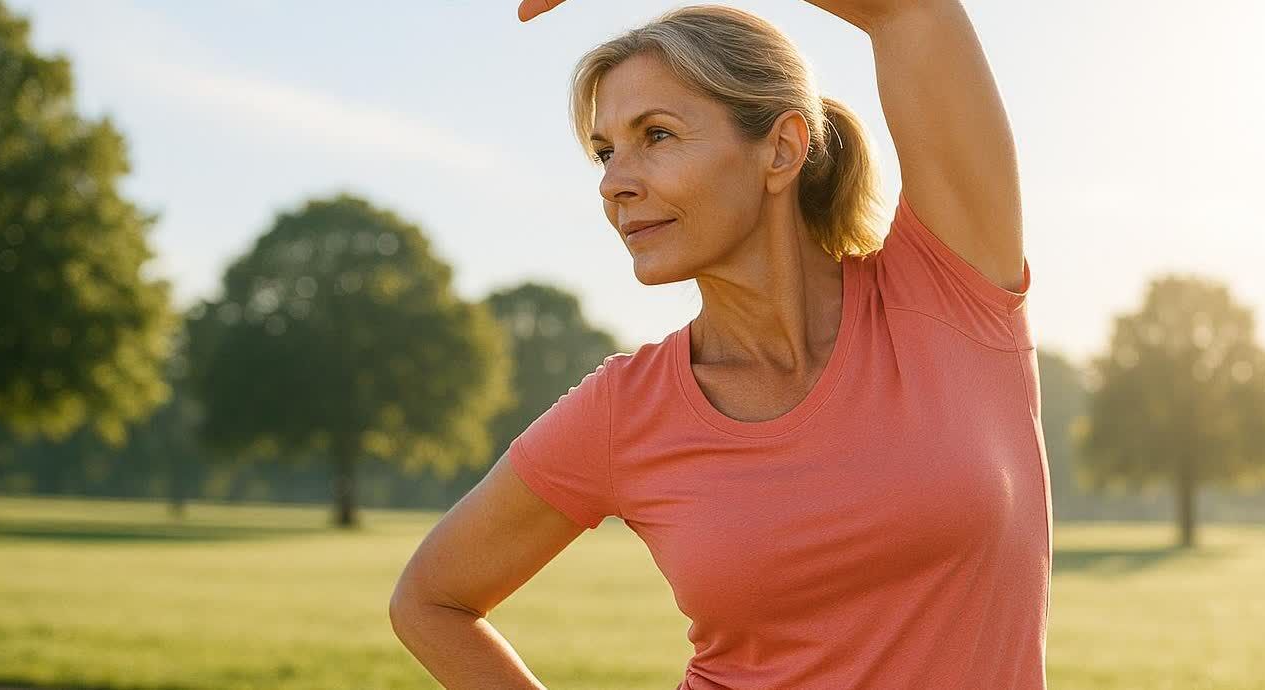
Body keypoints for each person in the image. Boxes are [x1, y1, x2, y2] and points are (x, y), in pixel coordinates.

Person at [390, 1, 1049, 688]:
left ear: (783, 149)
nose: (615, 183)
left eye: (658, 135)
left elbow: (910, 11)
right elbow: (431, 601)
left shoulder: (948, 290)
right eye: (605, 151)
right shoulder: (624, 409)